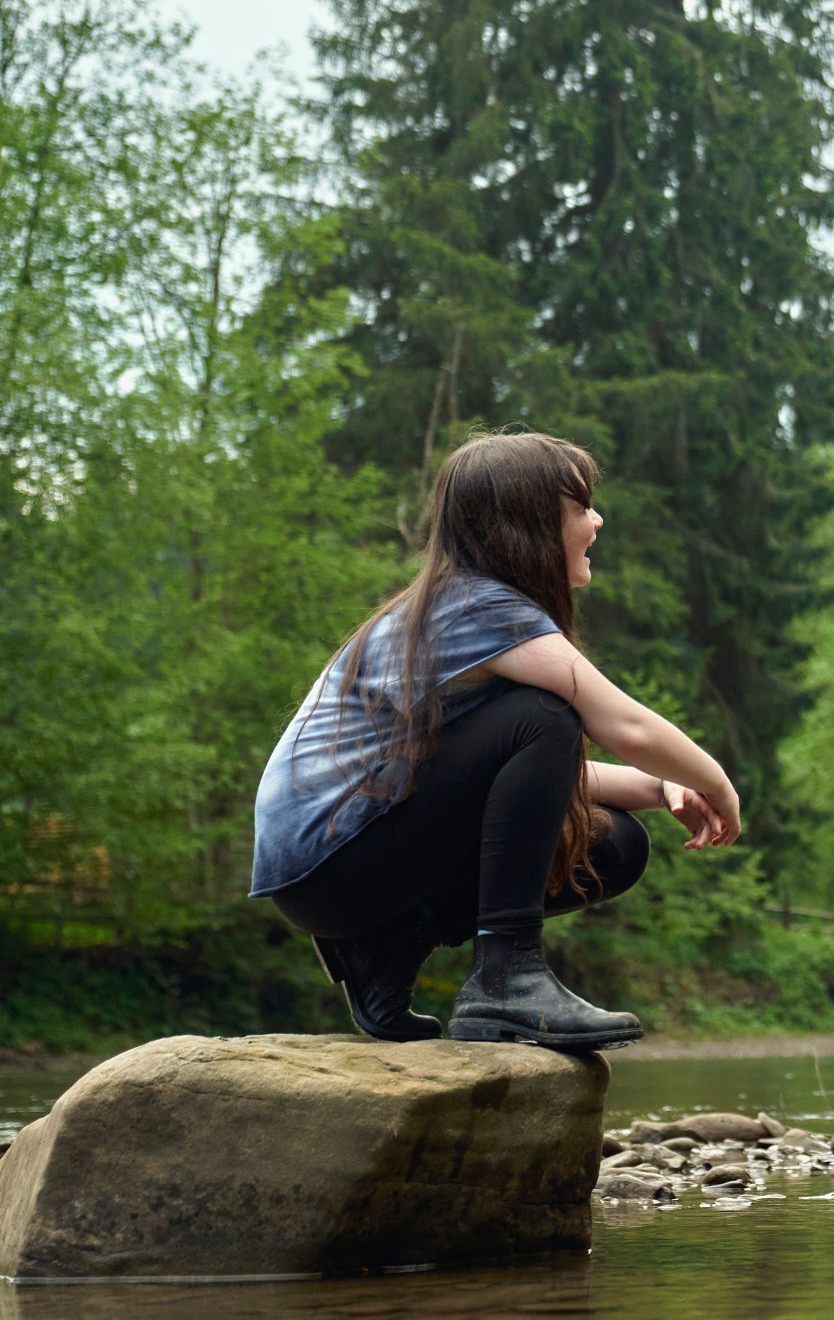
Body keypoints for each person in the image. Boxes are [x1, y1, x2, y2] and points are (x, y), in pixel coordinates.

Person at [251, 431, 743, 1052]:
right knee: (546, 713)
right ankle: (507, 979)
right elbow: (622, 725)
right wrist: (713, 780)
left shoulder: (464, 609)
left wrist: (659, 785)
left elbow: (517, 780)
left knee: (615, 845)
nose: (597, 520)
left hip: (336, 875)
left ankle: (386, 948)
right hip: (332, 865)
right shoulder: (479, 610)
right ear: (530, 526)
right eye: (580, 507)